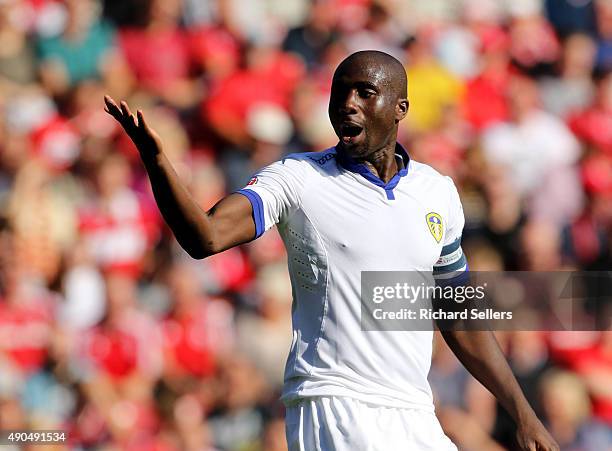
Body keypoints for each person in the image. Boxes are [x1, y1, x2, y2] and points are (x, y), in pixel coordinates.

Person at [104, 50, 559, 451]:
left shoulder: (436, 191)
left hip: (414, 411)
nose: (347, 104)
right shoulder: (298, 178)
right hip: (334, 404)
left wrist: (523, 413)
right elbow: (203, 237)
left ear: (400, 108)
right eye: (340, 93)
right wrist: (157, 161)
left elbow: (458, 313)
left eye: (364, 92)